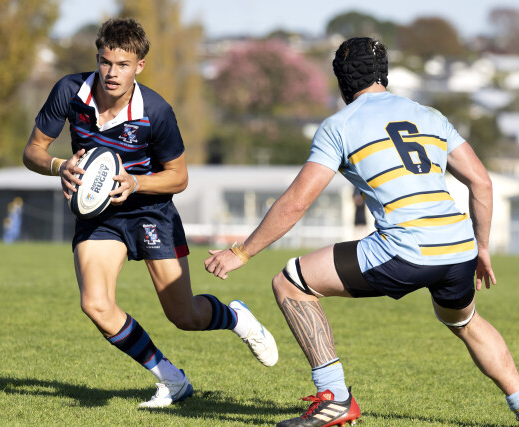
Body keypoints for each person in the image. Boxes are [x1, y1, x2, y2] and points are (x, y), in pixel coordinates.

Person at [205, 37, 519, 426]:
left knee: (291, 283)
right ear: (383, 75)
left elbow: (297, 202)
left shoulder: (340, 125)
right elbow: (482, 182)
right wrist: (482, 248)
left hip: (406, 250)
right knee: (465, 322)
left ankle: (335, 399)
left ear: (341, 81)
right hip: (458, 248)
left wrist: (242, 252)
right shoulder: (430, 115)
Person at [22, 18, 277, 408]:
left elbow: (179, 177)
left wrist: (135, 183)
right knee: (95, 304)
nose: (112, 73)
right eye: (106, 62)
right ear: (97, 58)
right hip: (99, 215)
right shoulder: (70, 91)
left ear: (139, 66)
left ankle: (236, 318)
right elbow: (33, 152)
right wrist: (60, 166)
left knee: (184, 316)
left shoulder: (155, 110)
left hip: (151, 213)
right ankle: (170, 378)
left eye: (123, 65)